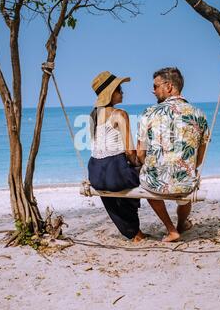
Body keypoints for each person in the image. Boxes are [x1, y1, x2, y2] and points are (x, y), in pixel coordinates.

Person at [137, 67, 209, 242]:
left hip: (155, 184)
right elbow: (200, 157)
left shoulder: (148, 113)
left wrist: (150, 165)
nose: (152, 90)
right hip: (185, 183)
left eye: (155, 86)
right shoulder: (199, 114)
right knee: (188, 179)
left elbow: (140, 153)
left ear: (168, 86)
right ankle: (182, 224)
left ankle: (171, 229)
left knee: (146, 181)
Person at [88, 71, 146, 242]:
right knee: (140, 175)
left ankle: (134, 232)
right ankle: (135, 232)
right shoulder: (119, 114)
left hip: (95, 173)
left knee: (113, 190)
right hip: (114, 172)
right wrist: (139, 164)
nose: (122, 92)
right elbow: (129, 151)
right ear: (111, 93)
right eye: (119, 89)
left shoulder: (93, 116)